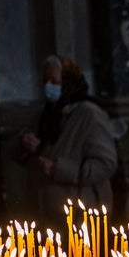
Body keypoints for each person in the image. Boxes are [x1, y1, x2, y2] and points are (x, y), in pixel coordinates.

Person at [18, 55, 118, 231]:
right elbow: (20, 150)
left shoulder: (89, 114)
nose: (48, 86)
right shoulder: (46, 114)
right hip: (49, 216)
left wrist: (60, 169)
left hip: (81, 216)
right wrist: (24, 143)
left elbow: (106, 163)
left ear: (68, 82)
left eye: (54, 81)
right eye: (45, 81)